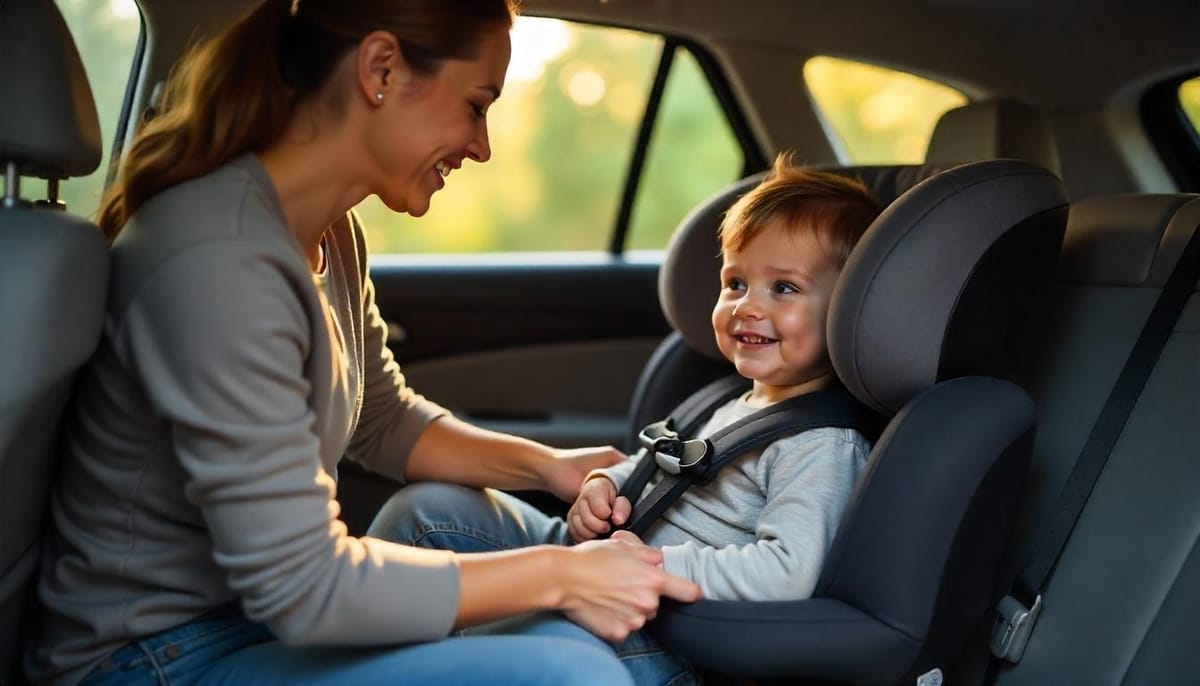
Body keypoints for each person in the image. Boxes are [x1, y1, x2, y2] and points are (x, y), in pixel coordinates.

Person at [25, 1, 701, 685]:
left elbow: (381, 420)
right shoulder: (215, 256)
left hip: (244, 621)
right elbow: (302, 588)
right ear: (380, 70)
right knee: (573, 674)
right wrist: (561, 574)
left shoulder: (327, 233)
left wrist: (547, 466)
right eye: (475, 105)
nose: (482, 145)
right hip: (148, 657)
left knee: (465, 535)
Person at [371, 153, 884, 685]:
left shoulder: (823, 445)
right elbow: (655, 469)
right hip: (606, 564)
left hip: (668, 637)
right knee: (430, 512)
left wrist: (652, 569)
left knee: (536, 638)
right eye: (736, 283)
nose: (747, 307)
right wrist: (604, 486)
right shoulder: (728, 399)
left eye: (784, 288)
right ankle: (362, 649)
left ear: (848, 311)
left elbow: (787, 574)